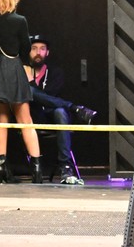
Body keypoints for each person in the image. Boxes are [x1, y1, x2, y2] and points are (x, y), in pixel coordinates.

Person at [0, 0, 44, 183]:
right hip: (12, 66)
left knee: (1, 120)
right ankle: (37, 169)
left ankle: (1, 168)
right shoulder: (20, 20)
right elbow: (25, 49)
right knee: (25, 120)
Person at [26, 34, 98, 186]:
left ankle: (66, 168)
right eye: (34, 48)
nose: (38, 52)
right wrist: (30, 82)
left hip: (51, 115)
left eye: (42, 49)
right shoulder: (21, 72)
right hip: (31, 116)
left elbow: (48, 96)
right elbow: (30, 97)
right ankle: (75, 109)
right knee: (30, 92)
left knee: (60, 112)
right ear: (28, 51)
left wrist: (31, 86)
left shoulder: (55, 72)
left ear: (47, 52)